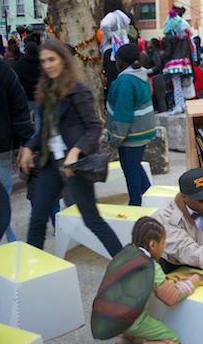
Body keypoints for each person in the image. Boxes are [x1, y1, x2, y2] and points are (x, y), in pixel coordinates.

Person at [19, 39, 123, 257]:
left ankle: (127, 263)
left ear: (63, 61)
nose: (48, 65)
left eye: (52, 60)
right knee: (37, 217)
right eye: (44, 61)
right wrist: (29, 147)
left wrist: (76, 151)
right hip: (51, 164)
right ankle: (29, 271)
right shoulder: (45, 91)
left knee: (91, 219)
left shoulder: (77, 90)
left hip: (75, 166)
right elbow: (45, 131)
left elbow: (94, 127)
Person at [91, 217, 203, 344]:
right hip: (129, 319)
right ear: (153, 244)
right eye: (162, 244)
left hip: (105, 315)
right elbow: (171, 297)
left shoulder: (124, 254)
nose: (163, 248)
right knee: (170, 339)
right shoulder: (150, 266)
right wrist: (192, 282)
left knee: (131, 315)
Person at [106, 44, 156, 206]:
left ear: (120, 62)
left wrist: (116, 138)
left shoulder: (125, 81)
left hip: (130, 135)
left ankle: (137, 204)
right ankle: (149, 196)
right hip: (142, 131)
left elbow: (123, 113)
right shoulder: (140, 75)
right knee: (135, 166)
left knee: (131, 170)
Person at [0, 59, 34, 243]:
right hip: (1, 144)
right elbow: (20, 109)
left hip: (1, 146)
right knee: (2, 195)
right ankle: (6, 236)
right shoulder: (6, 72)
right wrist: (25, 141)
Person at [162, 8, 193, 115]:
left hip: (173, 62)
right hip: (184, 61)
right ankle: (182, 104)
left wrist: (164, 56)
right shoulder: (183, 36)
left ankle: (178, 105)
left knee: (176, 84)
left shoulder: (169, 36)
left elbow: (168, 52)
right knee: (180, 84)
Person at [99, 0, 132, 89]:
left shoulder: (111, 16)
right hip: (122, 50)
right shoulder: (123, 17)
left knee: (112, 81)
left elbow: (104, 25)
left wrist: (110, 36)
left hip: (110, 51)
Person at [145, 38, 167, 113]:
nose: (148, 44)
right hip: (155, 76)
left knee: (160, 97)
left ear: (153, 44)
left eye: (149, 42)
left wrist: (148, 71)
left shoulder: (156, 54)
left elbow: (158, 65)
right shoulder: (152, 53)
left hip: (157, 77)